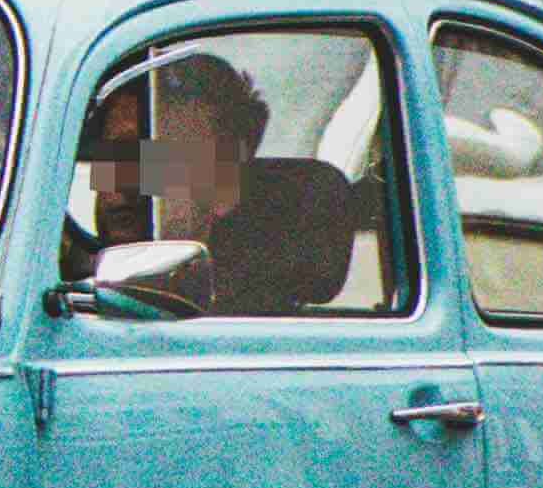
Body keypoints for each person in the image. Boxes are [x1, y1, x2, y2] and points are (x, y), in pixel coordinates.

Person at [73, 47, 360, 316]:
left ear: (223, 185)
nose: (125, 182)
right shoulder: (75, 296)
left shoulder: (238, 335)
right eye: (116, 155)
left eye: (158, 159)